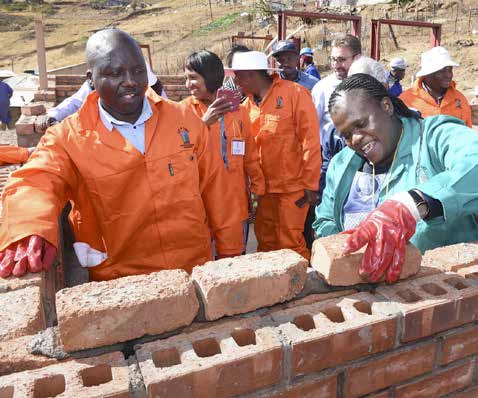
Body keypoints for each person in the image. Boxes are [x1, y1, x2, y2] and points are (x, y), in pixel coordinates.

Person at [0, 29, 230, 281]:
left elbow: (217, 190)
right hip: (123, 280)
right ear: (91, 78)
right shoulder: (68, 137)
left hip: (194, 270)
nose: (130, 81)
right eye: (115, 73)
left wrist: (230, 255)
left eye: (138, 70)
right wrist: (28, 226)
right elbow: (34, 181)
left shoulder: (184, 119)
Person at [314, 73, 478, 283]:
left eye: (361, 123)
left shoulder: (433, 137)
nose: (354, 138)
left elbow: (473, 161)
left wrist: (411, 205)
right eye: (346, 135)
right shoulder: (342, 164)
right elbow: (325, 219)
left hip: (444, 289)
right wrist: (345, 250)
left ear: (386, 106)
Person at [229, 50, 321, 259]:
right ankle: (271, 288)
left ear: (252, 74)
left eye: (239, 76)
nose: (236, 82)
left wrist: (310, 184)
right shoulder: (245, 106)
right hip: (263, 192)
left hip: (294, 188)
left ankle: (300, 286)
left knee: (291, 242)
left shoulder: (295, 94)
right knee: (266, 242)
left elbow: (311, 141)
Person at [181, 50, 265, 257]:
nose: (188, 84)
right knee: (203, 266)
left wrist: (257, 188)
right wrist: (203, 124)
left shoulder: (238, 112)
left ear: (210, 77)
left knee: (233, 264)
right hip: (199, 207)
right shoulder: (182, 112)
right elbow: (178, 156)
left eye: (193, 78)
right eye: (186, 78)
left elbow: (250, 156)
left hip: (233, 207)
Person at [308, 34, 361, 248]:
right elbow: (312, 127)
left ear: (357, 58)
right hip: (331, 158)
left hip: (362, 158)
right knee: (329, 207)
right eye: (333, 59)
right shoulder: (322, 88)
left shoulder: (368, 84)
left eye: (341, 59)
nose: (336, 65)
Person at [35, 62, 167, 133]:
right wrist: (53, 115)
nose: (130, 84)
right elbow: (75, 102)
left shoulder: (155, 89)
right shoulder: (99, 85)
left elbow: (167, 110)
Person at [400, 46, 472, 128]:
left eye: (449, 69)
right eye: (441, 71)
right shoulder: (406, 100)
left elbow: (467, 134)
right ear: (427, 74)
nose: (448, 75)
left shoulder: (460, 100)